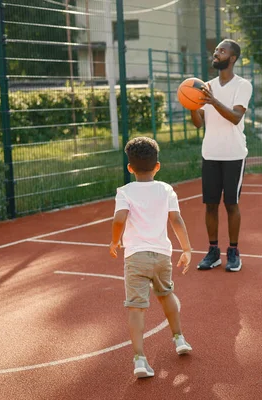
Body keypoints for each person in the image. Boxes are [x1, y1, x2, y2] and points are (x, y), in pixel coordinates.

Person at [109, 136, 193, 379]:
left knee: (136, 307)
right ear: (158, 166)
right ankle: (179, 338)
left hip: (136, 257)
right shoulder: (166, 189)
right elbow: (176, 220)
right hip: (161, 256)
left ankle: (140, 360)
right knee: (166, 295)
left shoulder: (124, 192)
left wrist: (115, 241)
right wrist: (186, 249)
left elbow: (118, 220)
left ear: (129, 168)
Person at [190, 39, 253, 273]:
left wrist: (213, 100)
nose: (216, 53)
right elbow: (198, 124)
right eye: (215, 50)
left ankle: (234, 251)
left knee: (231, 204)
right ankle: (213, 251)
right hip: (210, 153)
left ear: (233, 58)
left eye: (221, 50)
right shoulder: (206, 86)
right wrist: (191, 106)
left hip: (234, 154)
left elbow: (236, 116)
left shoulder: (242, 85)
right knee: (210, 205)